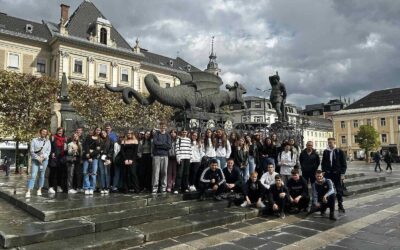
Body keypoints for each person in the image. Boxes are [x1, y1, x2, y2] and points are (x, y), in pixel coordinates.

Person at [321, 138, 347, 213]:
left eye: (331, 142)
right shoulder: (326, 152)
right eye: (328, 142)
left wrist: (342, 173)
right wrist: (324, 171)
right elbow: (323, 162)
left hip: (337, 174)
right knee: (326, 189)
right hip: (328, 174)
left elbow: (344, 164)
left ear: (335, 142)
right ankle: (325, 206)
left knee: (339, 190)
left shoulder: (339, 151)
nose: (329, 144)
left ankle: (340, 205)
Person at [26, 128, 51, 198]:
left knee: (42, 175)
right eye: (43, 131)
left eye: (45, 132)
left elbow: (48, 151)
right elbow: (32, 151)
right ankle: (28, 190)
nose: (44, 133)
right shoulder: (34, 140)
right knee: (33, 175)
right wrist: (38, 158)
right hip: (35, 160)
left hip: (44, 160)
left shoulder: (48, 141)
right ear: (40, 132)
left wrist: (43, 157)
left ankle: (39, 189)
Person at [152, 121, 172, 194]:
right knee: (156, 172)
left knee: (164, 172)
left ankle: (163, 187)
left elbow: (169, 146)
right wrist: (164, 145)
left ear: (166, 127)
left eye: (164, 126)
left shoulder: (168, 135)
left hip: (165, 156)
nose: (163, 127)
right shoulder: (156, 134)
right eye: (161, 126)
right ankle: (155, 187)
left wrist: (161, 145)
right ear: (160, 126)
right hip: (157, 155)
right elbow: (155, 143)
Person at [82, 127, 102, 195]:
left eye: (99, 130)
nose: (98, 131)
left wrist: (91, 155)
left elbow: (98, 150)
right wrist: (88, 154)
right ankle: (86, 187)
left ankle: (92, 188)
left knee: (93, 173)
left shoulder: (100, 139)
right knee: (85, 172)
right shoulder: (89, 137)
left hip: (94, 158)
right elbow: (86, 146)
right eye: (97, 130)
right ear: (95, 130)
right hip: (86, 157)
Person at [49, 127, 68, 194]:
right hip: (54, 157)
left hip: (61, 158)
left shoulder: (64, 139)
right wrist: (52, 153)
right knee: (52, 173)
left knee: (60, 173)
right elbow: (50, 146)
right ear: (57, 131)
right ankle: (50, 187)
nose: (60, 132)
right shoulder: (53, 137)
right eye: (59, 131)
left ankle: (59, 186)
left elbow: (66, 149)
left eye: (61, 131)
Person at [174, 128, 192, 194]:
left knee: (186, 174)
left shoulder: (189, 140)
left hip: (187, 158)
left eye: (185, 132)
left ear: (187, 133)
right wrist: (178, 158)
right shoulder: (179, 139)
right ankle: (177, 188)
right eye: (183, 132)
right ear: (181, 132)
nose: (184, 133)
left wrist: (190, 158)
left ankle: (185, 187)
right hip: (181, 158)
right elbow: (177, 149)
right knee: (179, 174)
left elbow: (190, 149)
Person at [98, 130, 114, 194]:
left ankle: (107, 187)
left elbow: (112, 149)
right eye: (102, 133)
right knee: (102, 173)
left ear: (106, 133)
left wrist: (108, 156)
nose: (103, 134)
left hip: (107, 158)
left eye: (104, 133)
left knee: (107, 173)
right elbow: (98, 148)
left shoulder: (110, 140)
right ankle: (103, 187)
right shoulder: (99, 140)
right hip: (100, 158)